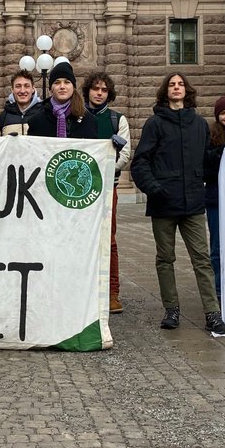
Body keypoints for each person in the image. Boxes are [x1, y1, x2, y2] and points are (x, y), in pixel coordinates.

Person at [131, 73, 225, 335]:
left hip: (193, 203)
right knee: (165, 259)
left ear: (187, 91)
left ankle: (212, 314)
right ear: (166, 92)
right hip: (164, 202)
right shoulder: (154, 123)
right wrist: (153, 188)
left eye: (181, 85)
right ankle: (171, 310)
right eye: (172, 85)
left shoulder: (199, 124)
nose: (177, 88)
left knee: (202, 260)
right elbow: (140, 162)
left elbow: (207, 163)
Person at [83, 71, 130, 313]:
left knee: (109, 241)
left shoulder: (116, 119)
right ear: (88, 91)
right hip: (80, 191)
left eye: (103, 90)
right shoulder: (76, 117)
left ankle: (112, 292)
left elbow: (125, 154)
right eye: (95, 89)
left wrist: (103, 170)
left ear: (108, 94)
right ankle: (84, 290)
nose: (99, 93)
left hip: (106, 188)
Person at [205, 95, 225, 303]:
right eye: (223, 113)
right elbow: (206, 167)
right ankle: (218, 289)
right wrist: (224, 151)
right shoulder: (210, 136)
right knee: (217, 247)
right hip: (216, 198)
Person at [26, 62, 98, 140]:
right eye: (57, 83)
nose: (62, 86)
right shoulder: (37, 121)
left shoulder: (89, 121)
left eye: (67, 82)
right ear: (51, 89)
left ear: (73, 87)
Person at [0, 69, 42, 139]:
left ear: (33, 89)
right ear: (12, 90)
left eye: (26, 86)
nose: (22, 91)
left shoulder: (43, 113)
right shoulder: (2, 117)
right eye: (18, 86)